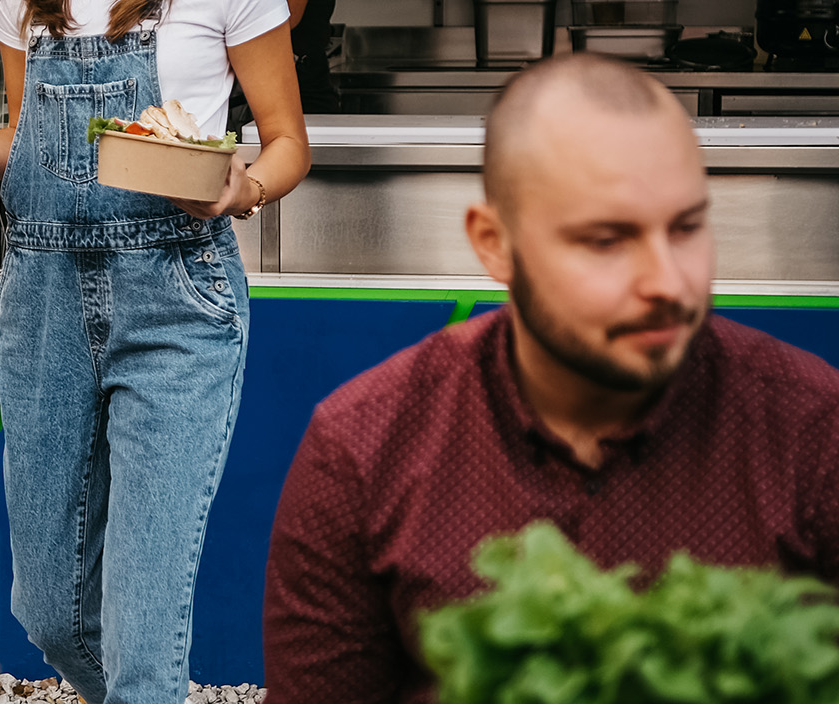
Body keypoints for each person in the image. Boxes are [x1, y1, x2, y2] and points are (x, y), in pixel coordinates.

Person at [261, 53, 839, 704]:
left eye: (686, 228)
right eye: (605, 240)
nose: (668, 283)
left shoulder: (814, 429)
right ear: (494, 243)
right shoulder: (364, 450)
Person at [0, 0, 312, 704]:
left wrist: (245, 180)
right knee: (49, 613)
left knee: (143, 633)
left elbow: (287, 140)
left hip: (177, 295)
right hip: (40, 303)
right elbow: (22, 133)